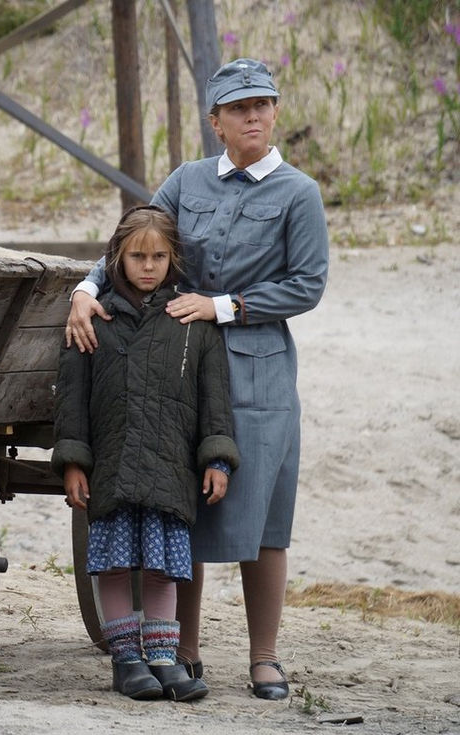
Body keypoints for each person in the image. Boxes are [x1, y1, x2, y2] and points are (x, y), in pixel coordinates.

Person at [65, 58, 329, 700]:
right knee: (183, 510)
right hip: (175, 374)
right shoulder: (187, 182)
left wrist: (223, 305)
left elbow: (308, 284)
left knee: (262, 519)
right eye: (239, 109)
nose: (254, 117)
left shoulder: (299, 193)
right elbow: (136, 241)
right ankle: (181, 648)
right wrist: (83, 288)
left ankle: (263, 657)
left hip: (257, 377)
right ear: (216, 122)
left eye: (263, 104)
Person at [53, 205, 239, 701]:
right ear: (118, 257)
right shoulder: (95, 317)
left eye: (159, 256)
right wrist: (73, 460)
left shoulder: (192, 321)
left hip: (169, 469)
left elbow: (214, 399)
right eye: (138, 256)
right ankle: (126, 661)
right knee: (114, 565)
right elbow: (72, 397)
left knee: (162, 567)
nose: (148, 265)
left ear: (173, 258)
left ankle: (163, 658)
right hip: (112, 467)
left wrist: (217, 459)